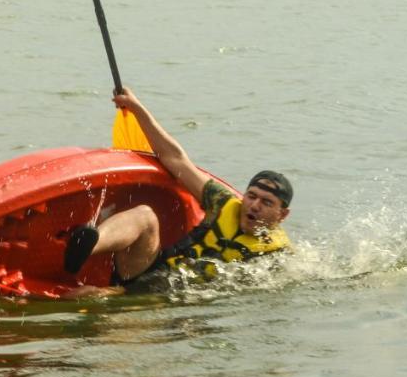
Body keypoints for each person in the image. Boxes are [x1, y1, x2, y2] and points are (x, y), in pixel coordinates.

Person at [63, 88, 292, 295]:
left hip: (173, 300)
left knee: (86, 297)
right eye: (251, 196)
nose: (254, 205)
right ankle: (88, 245)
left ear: (282, 215)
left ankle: (113, 294)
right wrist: (137, 108)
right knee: (145, 215)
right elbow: (176, 159)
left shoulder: (277, 256)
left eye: (266, 202)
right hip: (149, 268)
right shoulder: (222, 201)